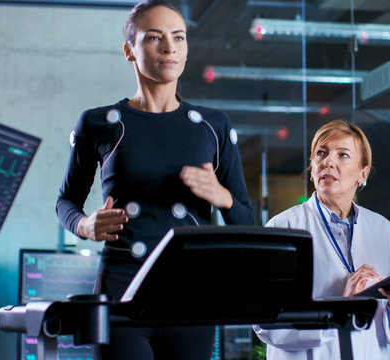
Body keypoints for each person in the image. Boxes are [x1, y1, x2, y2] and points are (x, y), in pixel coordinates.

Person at [55, 1, 254, 358]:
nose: (169, 47)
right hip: (121, 287)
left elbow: (246, 218)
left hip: (191, 293)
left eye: (178, 38)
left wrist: (221, 196)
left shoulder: (213, 125)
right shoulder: (99, 123)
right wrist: (85, 225)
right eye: (155, 38)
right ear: (130, 50)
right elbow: (65, 201)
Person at [253, 120, 390, 359]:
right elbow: (265, 322)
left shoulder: (383, 230)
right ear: (312, 167)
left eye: (343, 155)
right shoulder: (281, 228)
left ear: (363, 174)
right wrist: (339, 307)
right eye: (321, 153)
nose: (328, 162)